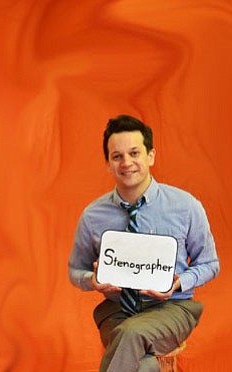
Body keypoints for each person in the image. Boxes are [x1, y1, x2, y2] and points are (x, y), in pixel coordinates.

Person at [68, 114, 220, 371]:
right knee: (144, 365)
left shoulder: (186, 207)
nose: (126, 163)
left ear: (150, 156)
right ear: (108, 164)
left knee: (130, 334)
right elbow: (75, 270)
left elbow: (210, 264)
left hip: (173, 308)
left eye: (134, 153)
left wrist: (179, 281)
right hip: (116, 310)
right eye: (117, 156)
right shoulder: (93, 216)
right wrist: (90, 281)